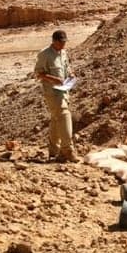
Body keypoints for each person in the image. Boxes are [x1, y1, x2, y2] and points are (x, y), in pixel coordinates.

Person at [35, 29, 79, 162]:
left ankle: (53, 150)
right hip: (52, 91)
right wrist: (53, 79)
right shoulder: (44, 54)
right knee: (64, 114)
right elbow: (38, 73)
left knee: (55, 119)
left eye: (64, 42)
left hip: (64, 90)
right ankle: (67, 150)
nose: (63, 45)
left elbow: (66, 67)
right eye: (61, 42)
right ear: (54, 41)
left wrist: (71, 74)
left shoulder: (63, 53)